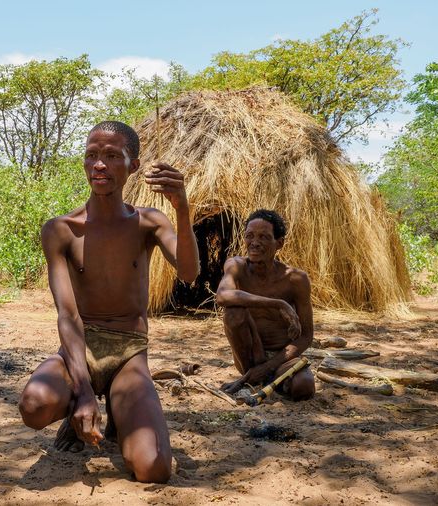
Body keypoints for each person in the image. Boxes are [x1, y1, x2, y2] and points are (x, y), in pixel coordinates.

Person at [18, 121, 200, 483]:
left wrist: (181, 208)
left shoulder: (149, 222)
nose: (99, 164)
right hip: (79, 347)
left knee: (154, 469)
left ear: (133, 166)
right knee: (34, 405)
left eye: (112, 156)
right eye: (92, 155)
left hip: (128, 352)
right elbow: (68, 315)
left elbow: (189, 274)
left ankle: (120, 411)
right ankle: (76, 409)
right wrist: (83, 393)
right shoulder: (61, 229)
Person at [215, 209, 315, 400]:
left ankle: (265, 379)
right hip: (249, 356)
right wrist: (278, 304)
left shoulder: (296, 279)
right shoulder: (236, 266)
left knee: (304, 387)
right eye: (249, 236)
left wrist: (268, 367)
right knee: (233, 312)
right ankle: (253, 376)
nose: (255, 243)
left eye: (264, 237)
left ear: (279, 243)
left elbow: (306, 336)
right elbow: (222, 296)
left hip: (283, 357)